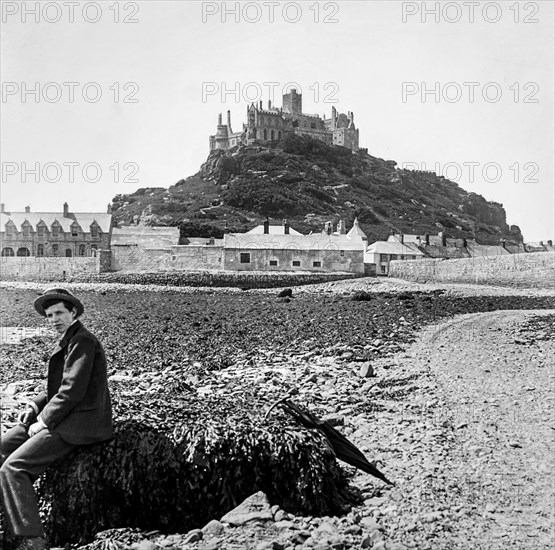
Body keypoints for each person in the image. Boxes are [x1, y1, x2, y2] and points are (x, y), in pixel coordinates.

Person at [0, 288, 113, 550]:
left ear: (73, 312)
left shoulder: (83, 341)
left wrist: (45, 420)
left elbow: (72, 390)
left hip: (82, 422)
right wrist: (34, 405)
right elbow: (55, 388)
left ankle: (32, 538)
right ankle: (7, 527)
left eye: (60, 312)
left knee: (14, 467)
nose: (54, 319)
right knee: (3, 446)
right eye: (50, 315)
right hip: (64, 415)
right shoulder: (68, 339)